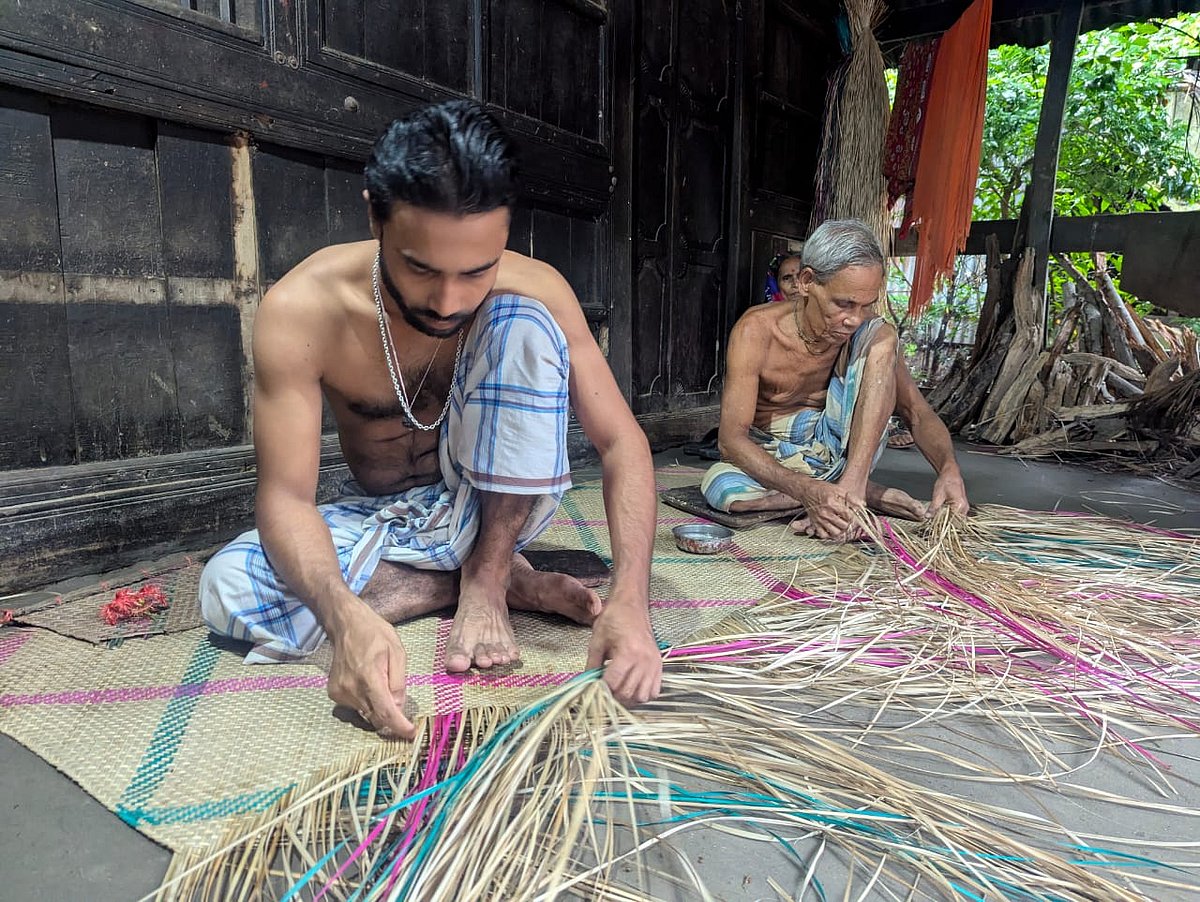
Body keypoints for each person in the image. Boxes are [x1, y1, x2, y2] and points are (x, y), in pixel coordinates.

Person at [200, 100, 662, 740]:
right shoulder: (302, 310)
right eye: (420, 268)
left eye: (477, 271)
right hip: (388, 519)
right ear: (375, 217)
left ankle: (489, 574)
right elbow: (285, 498)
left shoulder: (536, 285)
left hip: (496, 503)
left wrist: (632, 602)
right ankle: (479, 583)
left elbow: (620, 443)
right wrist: (342, 618)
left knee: (523, 322)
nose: (448, 302)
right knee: (227, 587)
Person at [701, 218, 969, 539]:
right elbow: (731, 441)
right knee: (725, 490)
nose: (854, 319)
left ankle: (851, 489)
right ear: (806, 282)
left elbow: (917, 413)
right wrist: (806, 490)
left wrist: (949, 470)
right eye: (844, 304)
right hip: (774, 455)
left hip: (839, 454)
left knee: (884, 336)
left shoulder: (868, 336)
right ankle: (853, 493)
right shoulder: (756, 331)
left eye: (865, 305)